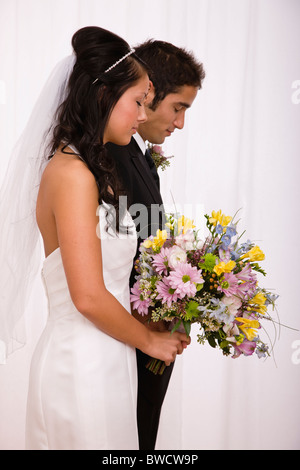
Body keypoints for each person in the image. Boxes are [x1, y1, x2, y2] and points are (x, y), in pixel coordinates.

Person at [0, 26, 190, 450]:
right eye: (138, 102)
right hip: (80, 365)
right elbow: (86, 295)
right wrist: (151, 341)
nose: (143, 115)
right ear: (105, 95)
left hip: (110, 357)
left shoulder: (94, 170)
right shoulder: (70, 174)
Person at [106, 39, 205, 450]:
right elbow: (111, 254)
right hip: (127, 338)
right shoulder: (104, 161)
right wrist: (151, 327)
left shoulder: (140, 155)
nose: (179, 123)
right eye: (178, 108)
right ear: (149, 93)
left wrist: (179, 308)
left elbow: (151, 242)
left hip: (153, 333)